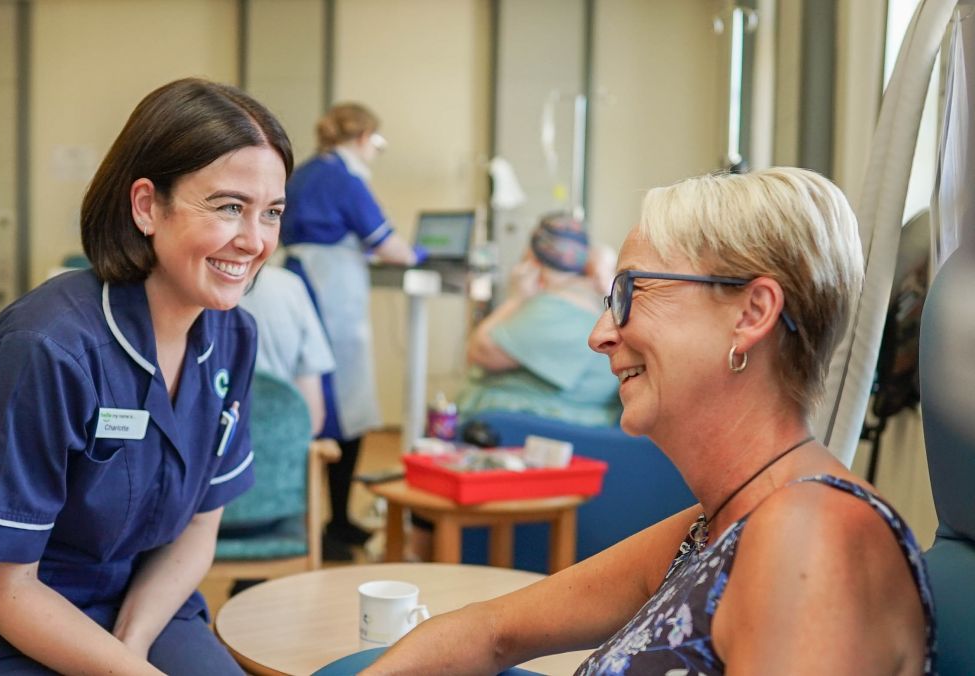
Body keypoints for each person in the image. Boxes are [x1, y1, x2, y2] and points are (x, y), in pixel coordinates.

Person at [364, 167, 936, 674]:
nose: (600, 333)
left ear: (752, 314)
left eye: (632, 290)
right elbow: (490, 632)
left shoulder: (812, 537)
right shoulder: (712, 528)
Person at [0, 78, 293, 675]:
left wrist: (130, 650)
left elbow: (196, 529)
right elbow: (2, 587)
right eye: (229, 207)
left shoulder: (231, 338)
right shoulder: (48, 349)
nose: (255, 241)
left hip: (131, 604)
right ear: (146, 206)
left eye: (272, 213)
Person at [280, 102, 420, 557]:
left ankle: (328, 518)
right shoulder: (346, 178)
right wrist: (421, 255)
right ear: (363, 138)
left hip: (302, 280)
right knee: (343, 404)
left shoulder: (305, 172)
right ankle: (334, 523)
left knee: (319, 401)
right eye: (376, 142)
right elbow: (390, 246)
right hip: (331, 291)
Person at [457, 212, 622, 427]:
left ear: (532, 260)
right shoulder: (589, 299)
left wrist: (516, 298)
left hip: (527, 424)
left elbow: (479, 352)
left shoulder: (556, 308)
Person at [238, 264, 336, 435]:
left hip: (215, 445)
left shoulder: (198, 288)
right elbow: (312, 417)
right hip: (283, 440)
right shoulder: (289, 286)